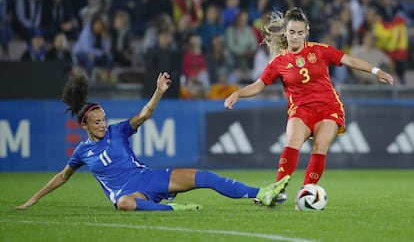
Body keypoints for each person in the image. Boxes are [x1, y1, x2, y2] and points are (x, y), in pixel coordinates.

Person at [15, 70, 289, 212]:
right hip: (130, 194)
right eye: (97, 122)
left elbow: (144, 115)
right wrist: (33, 199)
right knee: (123, 204)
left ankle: (261, 193)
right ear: (84, 124)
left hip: (148, 178)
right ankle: (173, 210)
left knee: (203, 176)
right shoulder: (82, 151)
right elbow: (63, 177)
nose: (102, 125)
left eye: (103, 119)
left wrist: (158, 93)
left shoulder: (118, 131)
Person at [224, 7, 393, 204]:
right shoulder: (278, 62)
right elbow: (259, 85)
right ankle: (278, 190)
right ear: (285, 32)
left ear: (306, 32)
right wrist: (238, 93)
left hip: (328, 107)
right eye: (292, 32)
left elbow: (349, 60)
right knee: (293, 140)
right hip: (301, 109)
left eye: (300, 32)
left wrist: (376, 71)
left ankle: (307, 193)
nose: (296, 37)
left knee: (320, 146)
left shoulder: (320, 50)